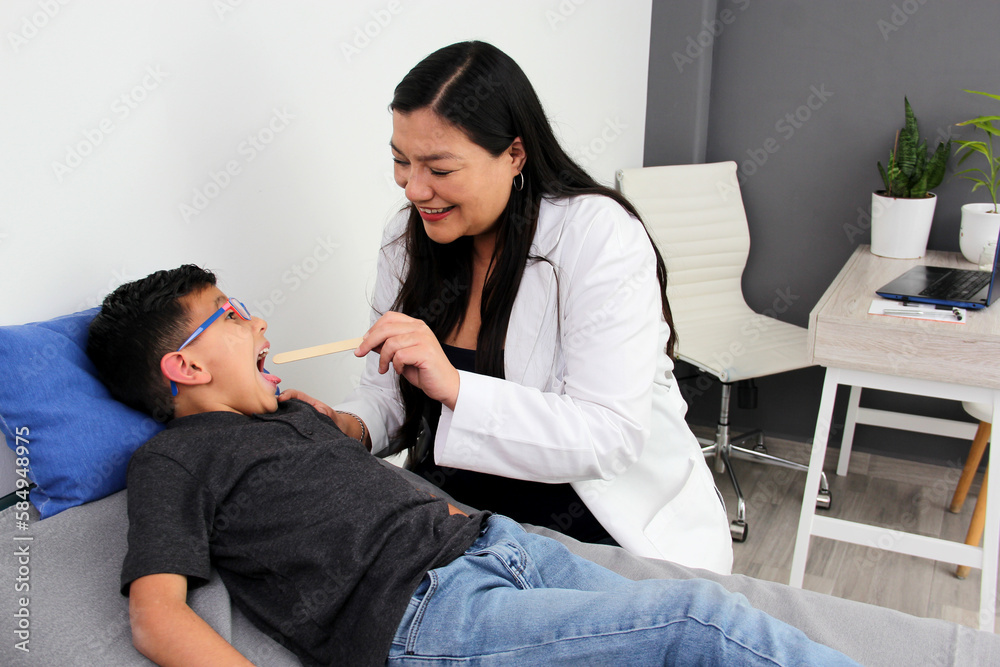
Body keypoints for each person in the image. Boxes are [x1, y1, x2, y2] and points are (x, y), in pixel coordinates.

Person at [87, 265, 858, 666]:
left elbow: (341, 471)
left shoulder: (291, 412)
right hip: (420, 613)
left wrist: (354, 414)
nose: (260, 321)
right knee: (701, 622)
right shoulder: (171, 460)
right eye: (232, 313)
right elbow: (157, 615)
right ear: (183, 368)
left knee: (682, 615)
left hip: (496, 545)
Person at [325, 41, 732, 571]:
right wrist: (347, 425)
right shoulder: (408, 239)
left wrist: (455, 386)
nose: (414, 188)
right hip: (453, 514)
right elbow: (390, 401)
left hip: (585, 522)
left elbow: (609, 435)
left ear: (514, 154)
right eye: (401, 161)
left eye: (440, 169)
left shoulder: (596, 236)